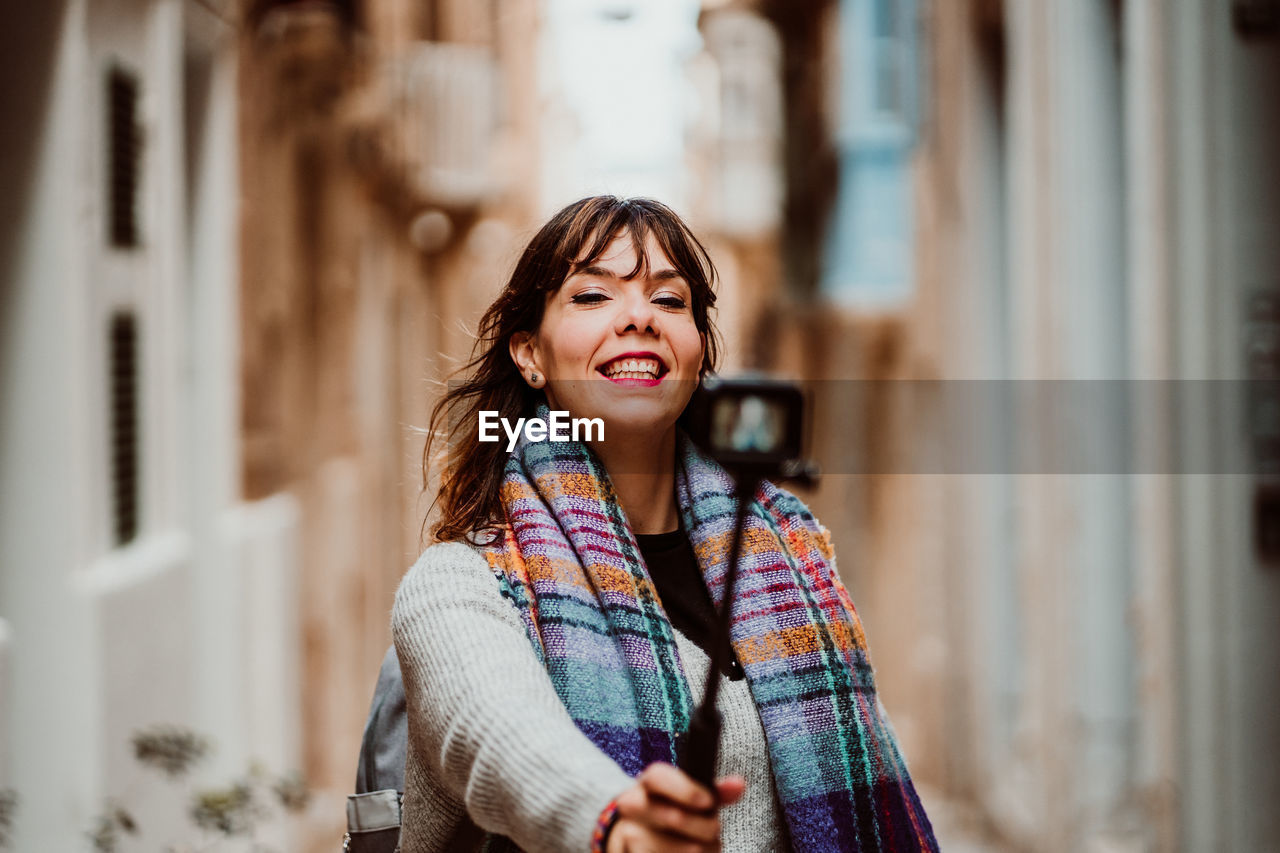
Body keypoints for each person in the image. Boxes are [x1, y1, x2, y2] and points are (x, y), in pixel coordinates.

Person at [391, 196, 938, 852]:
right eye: (593, 295)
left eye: (670, 301)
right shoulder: (462, 583)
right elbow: (498, 734)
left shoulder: (788, 554)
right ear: (529, 353)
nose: (639, 318)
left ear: (699, 348)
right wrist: (615, 820)